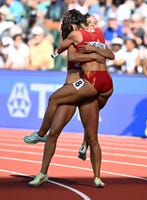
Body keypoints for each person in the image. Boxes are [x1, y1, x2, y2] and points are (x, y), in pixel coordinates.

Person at [25, 10, 114, 188]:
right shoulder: (75, 39)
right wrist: (97, 53)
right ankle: (43, 173)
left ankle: (95, 174)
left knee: (92, 134)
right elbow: (72, 54)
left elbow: (98, 56)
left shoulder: (84, 37)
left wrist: (96, 53)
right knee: (55, 133)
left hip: (82, 87)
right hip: (74, 89)